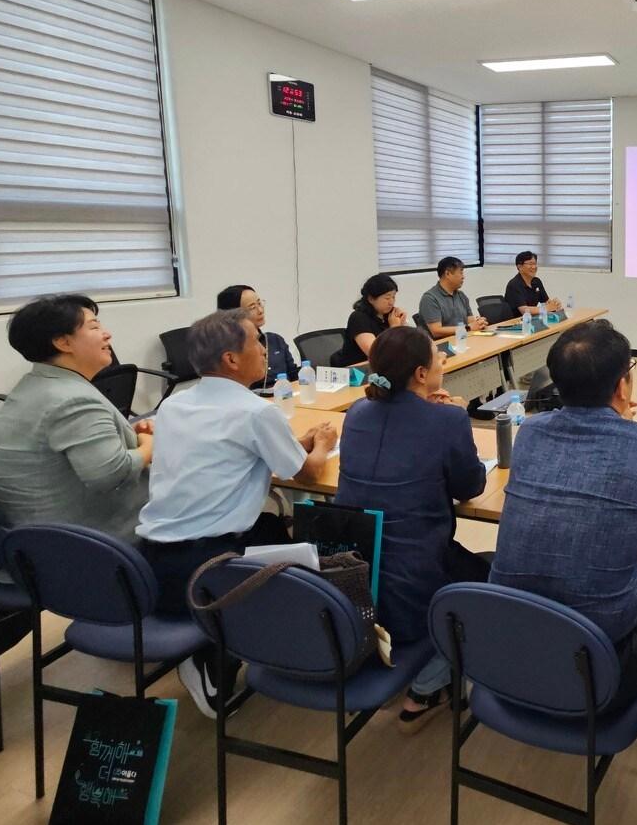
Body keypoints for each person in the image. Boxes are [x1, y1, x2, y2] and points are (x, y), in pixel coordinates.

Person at [137, 309, 337, 715]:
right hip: (209, 572)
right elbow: (308, 471)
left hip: (153, 563)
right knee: (309, 555)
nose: (265, 351)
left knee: (268, 524)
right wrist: (323, 441)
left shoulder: (175, 404)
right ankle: (223, 651)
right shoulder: (255, 411)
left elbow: (234, 448)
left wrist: (298, 440)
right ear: (231, 359)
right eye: (257, 343)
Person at [488, 320, 637, 714]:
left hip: (513, 642)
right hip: (600, 663)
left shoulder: (531, 433)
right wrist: (627, 434)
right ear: (623, 386)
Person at [335, 327, 487, 733]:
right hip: (412, 585)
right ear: (421, 374)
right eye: (438, 358)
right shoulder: (448, 419)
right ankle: (428, 684)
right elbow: (471, 486)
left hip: (347, 581)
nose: (443, 363)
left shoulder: (356, 413)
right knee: (489, 583)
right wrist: (453, 417)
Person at [0, 294, 151, 543]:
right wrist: (149, 446)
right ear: (63, 342)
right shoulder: (73, 400)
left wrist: (126, 435)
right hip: (86, 545)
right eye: (94, 327)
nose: (107, 335)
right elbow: (110, 475)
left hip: (30, 539)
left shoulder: (36, 385)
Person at [216, 284, 298, 384]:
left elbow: (295, 378)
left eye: (259, 303)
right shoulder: (230, 352)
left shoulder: (275, 340)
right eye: (252, 307)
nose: (260, 310)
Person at [333, 274, 407, 367]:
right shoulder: (358, 318)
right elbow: (376, 355)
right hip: (358, 373)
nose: (391, 302)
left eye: (393, 297)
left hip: (385, 369)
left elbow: (406, 349)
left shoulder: (390, 316)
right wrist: (395, 329)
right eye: (387, 298)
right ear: (371, 299)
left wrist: (403, 325)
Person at [416, 256, 488, 339]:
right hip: (441, 346)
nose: (463, 277)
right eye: (460, 272)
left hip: (462, 340)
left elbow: (470, 321)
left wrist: (479, 323)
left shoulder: (461, 295)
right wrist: (468, 328)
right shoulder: (430, 298)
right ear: (448, 274)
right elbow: (436, 331)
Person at [503, 251, 563, 318]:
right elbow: (524, 310)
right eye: (530, 264)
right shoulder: (514, 284)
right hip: (513, 322)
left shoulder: (536, 282)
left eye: (535, 263)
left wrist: (554, 304)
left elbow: (547, 302)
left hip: (531, 320)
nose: (534, 267)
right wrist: (547, 308)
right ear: (520, 267)